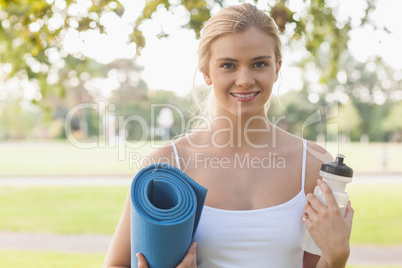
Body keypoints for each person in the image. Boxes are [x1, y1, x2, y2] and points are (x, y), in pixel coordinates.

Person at [104, 3, 353, 268]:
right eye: (228, 65)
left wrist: (336, 258)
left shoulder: (313, 164)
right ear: (206, 72)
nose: (244, 79)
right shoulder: (165, 166)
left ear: (277, 67)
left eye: (259, 63)